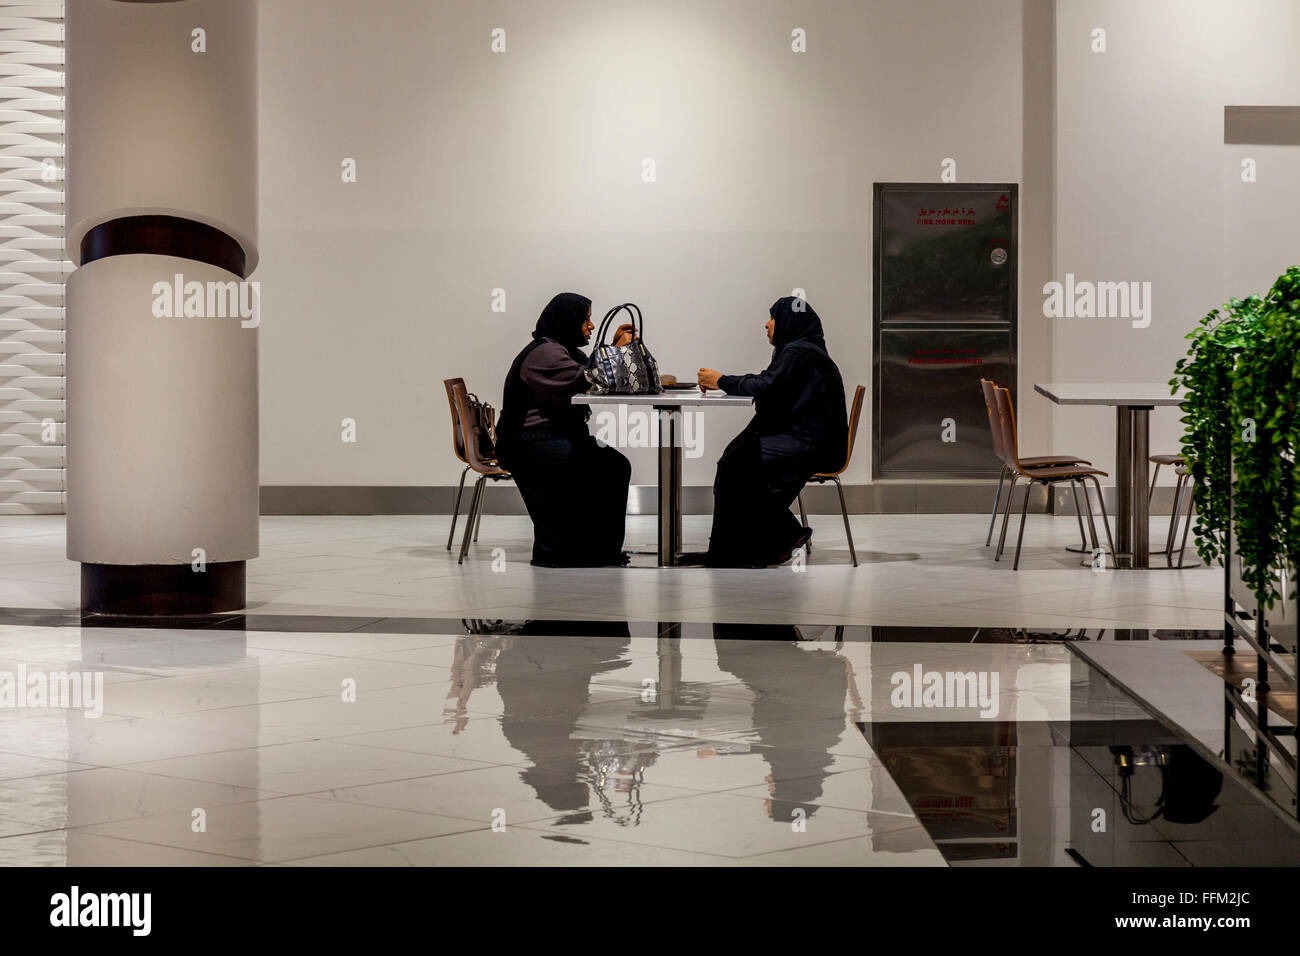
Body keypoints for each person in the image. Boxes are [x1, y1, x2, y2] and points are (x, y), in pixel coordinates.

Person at [692, 296, 848, 567]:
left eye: (773, 318)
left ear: (789, 321)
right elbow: (770, 383)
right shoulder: (801, 350)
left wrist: (722, 381)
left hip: (813, 444)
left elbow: (765, 386)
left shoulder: (799, 353)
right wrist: (727, 381)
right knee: (739, 458)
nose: (767, 325)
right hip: (811, 439)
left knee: (737, 462)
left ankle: (753, 545)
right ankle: (755, 544)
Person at [495, 293, 636, 567]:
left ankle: (594, 548)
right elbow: (587, 378)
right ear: (567, 320)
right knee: (609, 466)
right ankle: (584, 550)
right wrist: (616, 351)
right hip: (529, 442)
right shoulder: (545, 353)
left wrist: (613, 348)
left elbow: (584, 370)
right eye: (586, 319)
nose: (591, 326)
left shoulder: (558, 349)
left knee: (611, 464)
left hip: (545, 437)